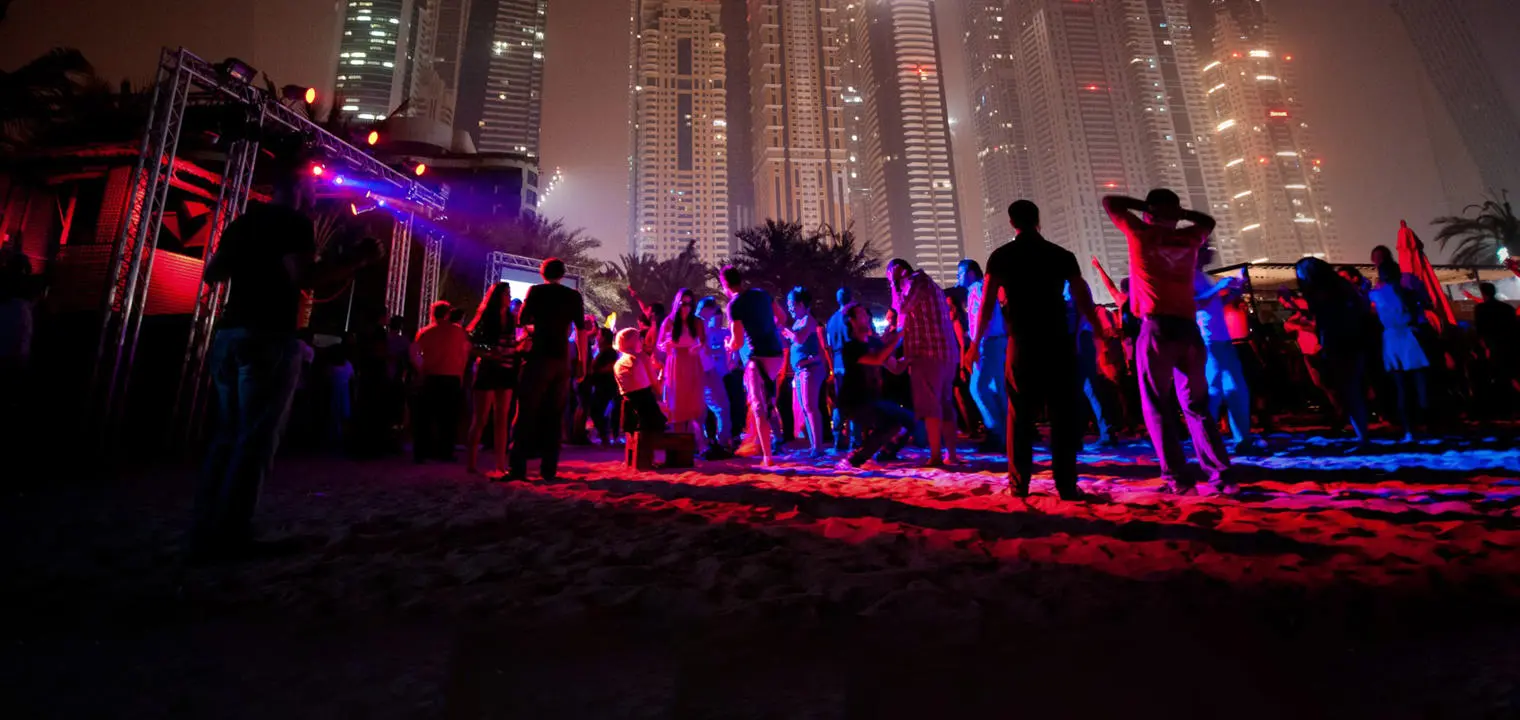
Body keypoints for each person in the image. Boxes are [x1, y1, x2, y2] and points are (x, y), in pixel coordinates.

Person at [191, 160, 380, 560]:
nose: (315, 199)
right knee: (256, 439)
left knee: (227, 434)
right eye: (313, 192)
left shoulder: (244, 222)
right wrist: (358, 261)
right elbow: (304, 277)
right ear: (300, 191)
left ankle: (205, 526)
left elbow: (213, 273)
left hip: (229, 334)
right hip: (269, 336)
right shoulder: (294, 223)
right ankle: (233, 533)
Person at [967, 200, 1101, 500]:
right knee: (1061, 415)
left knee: (1019, 415)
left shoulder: (1001, 257)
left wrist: (975, 343)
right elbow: (1082, 298)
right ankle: (1066, 484)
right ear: (1038, 219)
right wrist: (1101, 333)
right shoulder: (1061, 255)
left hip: (1022, 343)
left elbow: (987, 304)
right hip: (1057, 341)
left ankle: (1019, 484)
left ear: (1012, 222)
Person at [1103, 190, 1233, 494]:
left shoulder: (1141, 233)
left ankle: (1177, 477)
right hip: (1188, 329)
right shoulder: (1190, 238)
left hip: (1157, 327)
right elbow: (1207, 220)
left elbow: (1110, 203)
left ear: (1150, 213)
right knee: (1197, 407)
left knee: (1156, 404)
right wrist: (1177, 214)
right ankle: (1220, 474)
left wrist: (1151, 210)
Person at [507, 258, 588, 481]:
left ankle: (518, 468)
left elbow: (523, 321)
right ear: (563, 274)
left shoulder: (535, 291)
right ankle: (549, 470)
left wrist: (538, 328)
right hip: (562, 359)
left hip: (539, 356)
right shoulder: (573, 296)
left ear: (542, 273)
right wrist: (582, 362)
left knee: (525, 412)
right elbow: (581, 331)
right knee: (555, 415)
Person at [887, 258, 961, 468]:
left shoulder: (916, 282)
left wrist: (895, 284)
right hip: (945, 353)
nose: (890, 282)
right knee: (945, 404)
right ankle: (951, 455)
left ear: (899, 271)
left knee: (931, 406)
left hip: (928, 353)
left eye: (890, 275)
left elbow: (900, 308)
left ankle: (936, 455)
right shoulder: (929, 284)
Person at [1295, 258, 1372, 445]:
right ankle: (1361, 434)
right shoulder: (1342, 286)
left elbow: (1321, 317)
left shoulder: (1322, 291)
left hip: (1338, 341)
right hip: (1353, 339)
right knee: (1351, 388)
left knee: (1347, 390)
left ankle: (1361, 436)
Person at [834, 302, 915, 469]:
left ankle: (885, 453)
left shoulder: (874, 343)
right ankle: (857, 457)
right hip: (854, 402)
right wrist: (898, 335)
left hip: (873, 399)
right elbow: (877, 359)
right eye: (861, 315)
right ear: (851, 321)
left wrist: (909, 358)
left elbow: (896, 368)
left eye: (866, 314)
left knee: (908, 419)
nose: (867, 318)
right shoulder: (850, 347)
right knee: (891, 422)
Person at [721, 265, 787, 467]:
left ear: (724, 284)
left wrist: (727, 345)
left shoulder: (734, 305)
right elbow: (782, 318)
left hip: (756, 358)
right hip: (776, 354)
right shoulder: (762, 293)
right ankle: (775, 441)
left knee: (758, 406)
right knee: (767, 401)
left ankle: (767, 456)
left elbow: (738, 342)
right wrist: (767, 329)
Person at [1194, 257, 1260, 453]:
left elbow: (1214, 303)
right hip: (1207, 340)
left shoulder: (1203, 276)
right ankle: (1207, 442)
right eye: (1203, 248)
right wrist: (1218, 287)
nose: (1208, 251)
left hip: (1222, 339)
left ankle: (1242, 440)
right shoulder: (1186, 276)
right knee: (1214, 391)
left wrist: (1235, 291)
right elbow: (1191, 304)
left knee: (1236, 389)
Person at [1370, 262, 1430, 441]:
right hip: (1409, 335)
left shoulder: (1375, 295)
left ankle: (1408, 429)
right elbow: (1421, 310)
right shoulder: (1407, 293)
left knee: (1401, 386)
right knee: (1420, 383)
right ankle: (1425, 423)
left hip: (1390, 338)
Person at [465, 283, 519, 476]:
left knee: (502, 418)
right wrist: (489, 354)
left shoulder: (512, 318)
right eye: (506, 293)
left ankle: (500, 465)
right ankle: (471, 463)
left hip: (506, 369)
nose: (508, 297)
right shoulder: (487, 317)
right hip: (488, 368)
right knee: (480, 419)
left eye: (509, 293)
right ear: (497, 296)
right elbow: (471, 344)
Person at [411, 301, 472, 463]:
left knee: (425, 417)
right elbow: (464, 354)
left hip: (431, 377)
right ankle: (445, 452)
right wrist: (460, 372)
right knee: (448, 418)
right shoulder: (458, 332)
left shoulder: (425, 332)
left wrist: (421, 369)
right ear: (448, 314)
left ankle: (422, 453)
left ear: (433, 313)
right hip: (451, 377)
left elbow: (414, 353)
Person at [960, 260, 1007, 453]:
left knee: (978, 388)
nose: (958, 277)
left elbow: (983, 315)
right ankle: (1005, 436)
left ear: (971, 273)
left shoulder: (978, 288)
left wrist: (975, 343)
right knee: (996, 389)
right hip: (994, 340)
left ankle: (996, 432)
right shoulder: (978, 289)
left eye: (960, 272)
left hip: (988, 341)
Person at [659, 288, 710, 454]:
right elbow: (660, 344)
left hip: (692, 361)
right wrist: (666, 346)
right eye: (682, 303)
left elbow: (703, 342)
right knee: (677, 404)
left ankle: (698, 443)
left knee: (694, 403)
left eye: (689, 303)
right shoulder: (669, 321)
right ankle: (678, 446)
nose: (686, 307)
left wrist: (698, 347)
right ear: (677, 303)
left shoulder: (697, 322)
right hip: (675, 362)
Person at [781, 286, 827, 457]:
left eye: (791, 303)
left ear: (801, 303)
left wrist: (786, 331)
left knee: (810, 407)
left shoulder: (808, 319)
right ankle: (814, 445)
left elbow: (799, 338)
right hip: (801, 370)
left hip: (810, 369)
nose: (789, 307)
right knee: (806, 408)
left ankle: (818, 447)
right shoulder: (797, 322)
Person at [696, 297, 735, 457]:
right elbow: (702, 349)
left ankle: (705, 444)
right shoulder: (700, 323)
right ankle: (720, 443)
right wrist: (720, 350)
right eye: (713, 311)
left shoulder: (698, 322)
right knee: (722, 406)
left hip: (702, 369)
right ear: (708, 309)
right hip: (706, 369)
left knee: (702, 411)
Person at [613, 328, 667, 433]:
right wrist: (662, 370)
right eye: (639, 338)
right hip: (647, 409)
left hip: (630, 411)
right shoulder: (641, 358)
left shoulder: (618, 363)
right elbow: (658, 389)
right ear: (634, 341)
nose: (642, 341)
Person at [1474, 281, 1518, 402]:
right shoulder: (1507, 308)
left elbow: (1480, 330)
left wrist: (1486, 348)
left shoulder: (1481, 309)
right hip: (1509, 346)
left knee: (1497, 375)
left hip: (1494, 347)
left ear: (1483, 294)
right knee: (1511, 375)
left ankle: (1503, 404)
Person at [824, 287, 855, 451]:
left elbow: (827, 346)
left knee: (839, 402)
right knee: (855, 400)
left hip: (836, 363)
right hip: (849, 360)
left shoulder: (831, 320)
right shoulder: (849, 317)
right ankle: (855, 440)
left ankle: (837, 437)